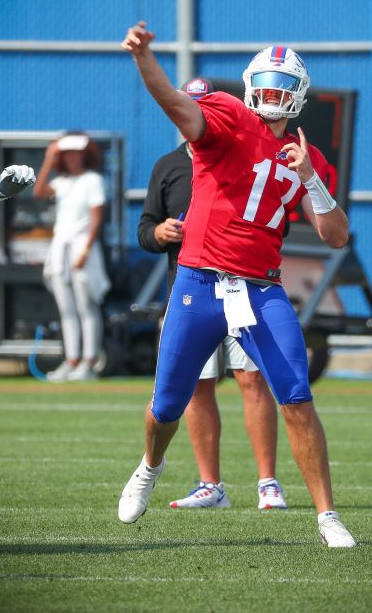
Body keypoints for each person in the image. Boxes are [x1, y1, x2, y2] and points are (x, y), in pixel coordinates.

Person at [116, 23, 356, 547]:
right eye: (265, 82)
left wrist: (310, 177)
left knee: (296, 395)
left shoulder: (306, 155)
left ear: (298, 95)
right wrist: (144, 59)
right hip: (199, 281)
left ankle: (328, 516)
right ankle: (150, 466)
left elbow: (336, 236)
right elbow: (176, 105)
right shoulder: (226, 115)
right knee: (167, 404)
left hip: (261, 289)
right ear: (250, 84)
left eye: (282, 85)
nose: (272, 93)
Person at [137, 78, 288, 511]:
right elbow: (144, 227)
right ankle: (211, 484)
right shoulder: (168, 165)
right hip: (193, 290)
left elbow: (274, 218)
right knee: (195, 387)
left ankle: (267, 482)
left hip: (245, 287)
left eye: (204, 103)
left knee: (253, 378)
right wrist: (160, 232)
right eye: (193, 103)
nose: (200, 111)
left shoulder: (246, 151)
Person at [32, 134, 110, 382]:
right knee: (66, 310)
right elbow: (39, 191)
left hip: (82, 249)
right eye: (67, 154)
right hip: (60, 251)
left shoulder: (93, 180)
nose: (72, 158)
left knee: (87, 306)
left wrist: (85, 250)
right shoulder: (62, 182)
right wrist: (48, 158)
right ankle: (72, 359)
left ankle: (88, 362)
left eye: (76, 153)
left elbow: (96, 218)